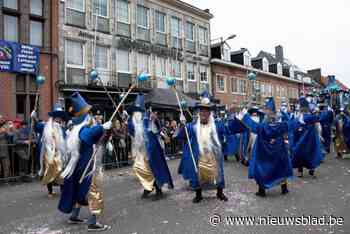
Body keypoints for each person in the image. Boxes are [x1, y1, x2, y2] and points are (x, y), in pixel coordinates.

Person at [175, 91, 246, 203]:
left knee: (218, 174)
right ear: (199, 112)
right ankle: (198, 194)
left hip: (214, 156)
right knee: (198, 175)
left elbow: (229, 129)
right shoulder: (192, 126)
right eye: (201, 110)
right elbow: (182, 136)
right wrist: (182, 125)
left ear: (210, 113)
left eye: (206, 111)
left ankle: (220, 193)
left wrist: (238, 119)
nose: (203, 113)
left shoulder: (217, 125)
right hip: (199, 157)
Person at [58, 92, 112, 232]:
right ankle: (93, 222)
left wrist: (105, 130)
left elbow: (99, 140)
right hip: (88, 166)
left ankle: (74, 215)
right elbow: (86, 137)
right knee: (94, 191)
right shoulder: (81, 127)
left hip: (81, 165)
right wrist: (101, 127)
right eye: (88, 112)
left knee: (80, 191)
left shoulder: (75, 126)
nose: (91, 115)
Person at [238, 97, 300, 197]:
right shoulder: (280, 125)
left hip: (264, 152)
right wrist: (298, 119)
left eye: (267, 110)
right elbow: (291, 124)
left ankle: (262, 190)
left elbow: (252, 126)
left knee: (262, 168)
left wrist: (244, 114)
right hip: (278, 151)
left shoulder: (262, 127)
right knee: (281, 166)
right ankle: (284, 189)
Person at [127, 94, 174, 200]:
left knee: (154, 168)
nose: (137, 113)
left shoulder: (148, 120)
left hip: (152, 149)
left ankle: (157, 189)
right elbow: (131, 131)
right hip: (140, 151)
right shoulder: (133, 122)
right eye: (135, 111)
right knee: (141, 169)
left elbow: (157, 130)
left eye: (139, 111)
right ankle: (148, 187)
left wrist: (161, 132)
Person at [31, 103, 69, 197]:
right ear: (54, 117)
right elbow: (36, 127)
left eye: (60, 117)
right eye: (57, 116)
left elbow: (66, 140)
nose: (58, 119)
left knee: (60, 171)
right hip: (48, 154)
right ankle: (50, 191)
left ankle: (63, 190)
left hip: (59, 154)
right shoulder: (45, 126)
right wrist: (34, 118)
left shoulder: (62, 128)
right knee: (49, 171)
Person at [290, 96, 325, 178]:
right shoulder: (309, 117)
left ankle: (300, 171)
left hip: (300, 141)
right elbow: (320, 118)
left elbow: (293, 129)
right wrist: (319, 111)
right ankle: (311, 170)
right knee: (311, 154)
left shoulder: (297, 118)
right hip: (309, 141)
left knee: (300, 154)